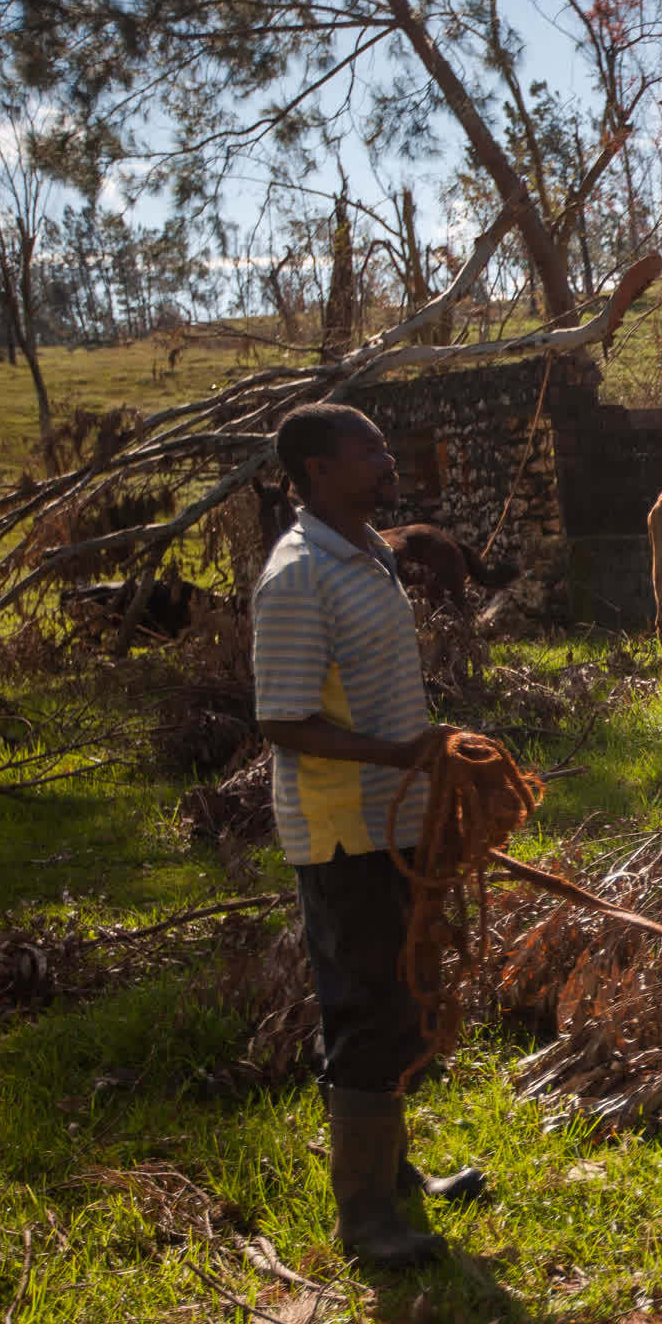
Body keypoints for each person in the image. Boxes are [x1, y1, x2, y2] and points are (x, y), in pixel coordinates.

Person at [252, 402, 486, 1268]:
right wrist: (397, 754)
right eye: (369, 449)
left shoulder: (372, 553)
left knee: (400, 993)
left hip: (393, 816)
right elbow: (282, 718)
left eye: (387, 443)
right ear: (317, 469)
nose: (388, 458)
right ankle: (366, 1221)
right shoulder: (298, 574)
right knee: (365, 1005)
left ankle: (394, 1177)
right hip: (342, 825)